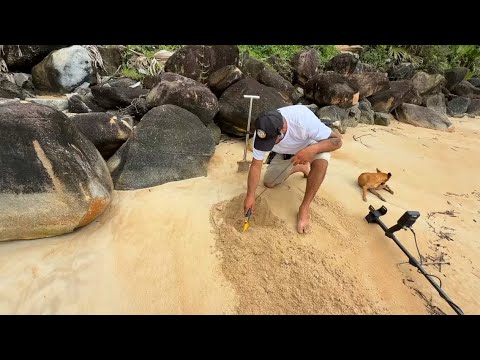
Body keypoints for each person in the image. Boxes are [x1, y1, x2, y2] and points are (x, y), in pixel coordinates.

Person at [243, 104, 343, 234]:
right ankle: (300, 166)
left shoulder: (303, 120)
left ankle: (305, 207)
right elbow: (256, 166)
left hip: (311, 145)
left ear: (283, 129)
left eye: (273, 140)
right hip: (287, 153)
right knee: (269, 182)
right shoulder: (263, 132)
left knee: (321, 161)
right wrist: (250, 196)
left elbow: (337, 141)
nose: (269, 144)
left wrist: (312, 150)